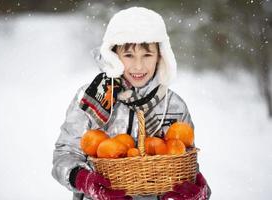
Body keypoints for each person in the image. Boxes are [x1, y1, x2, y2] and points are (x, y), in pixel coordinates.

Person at [52, 6, 211, 200]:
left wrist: (199, 193)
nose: (138, 66)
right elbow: (64, 155)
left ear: (161, 56)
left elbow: (186, 166)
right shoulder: (92, 98)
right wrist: (85, 180)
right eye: (128, 55)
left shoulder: (174, 105)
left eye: (147, 55)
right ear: (114, 56)